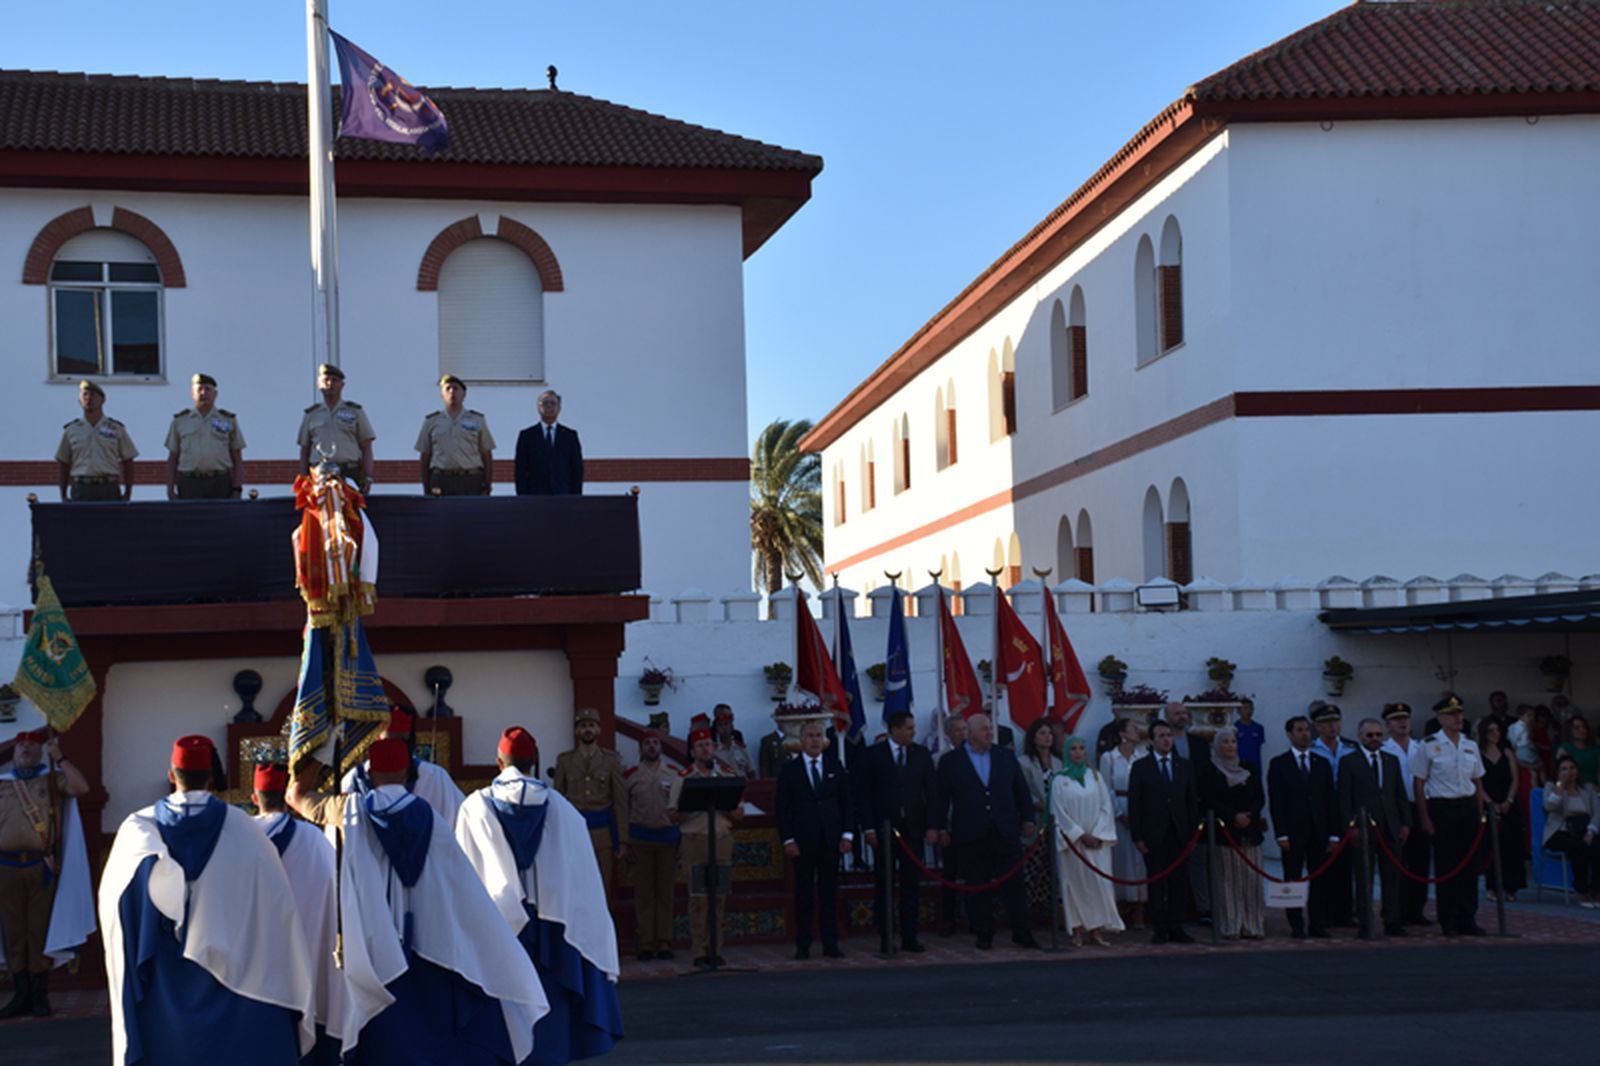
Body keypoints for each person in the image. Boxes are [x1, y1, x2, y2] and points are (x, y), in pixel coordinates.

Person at [288, 737, 547, 1064]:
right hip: (432, 940)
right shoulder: (433, 820)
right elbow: (460, 884)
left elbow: (294, 797)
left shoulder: (348, 810)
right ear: (408, 772)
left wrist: (321, 750)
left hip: (377, 941)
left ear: (372, 773)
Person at [101, 735, 315, 1065]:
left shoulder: (138, 830)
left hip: (165, 981)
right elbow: (276, 911)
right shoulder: (244, 829)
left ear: (171, 774)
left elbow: (121, 913)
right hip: (238, 979)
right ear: (211, 777)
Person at [456, 727, 623, 1065]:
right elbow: (583, 880)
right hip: (553, 926)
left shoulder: (475, 806)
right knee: (551, 1009)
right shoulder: (562, 809)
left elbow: (462, 874)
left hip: (499, 926)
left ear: (498, 763)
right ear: (535, 762)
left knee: (501, 1007)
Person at [253, 761, 344, 1064]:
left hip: (254, 968)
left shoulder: (239, 838)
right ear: (288, 798)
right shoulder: (316, 841)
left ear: (255, 797)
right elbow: (335, 896)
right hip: (308, 960)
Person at [0, 728, 91, 1018]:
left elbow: (81, 788)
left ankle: (40, 995)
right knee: (13, 933)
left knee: (38, 931)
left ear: (40, 752)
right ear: (12, 753)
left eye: (31, 746)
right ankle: (21, 994)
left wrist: (59, 757)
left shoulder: (52, 780)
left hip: (41, 866)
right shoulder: (2, 785)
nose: (25, 749)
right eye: (20, 746)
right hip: (7, 867)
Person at [933, 713, 1039, 950]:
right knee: (977, 885)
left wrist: (1028, 818)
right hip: (971, 832)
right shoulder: (951, 761)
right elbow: (941, 799)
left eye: (990, 728)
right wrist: (940, 827)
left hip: (1005, 830)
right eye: (984, 729)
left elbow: (1021, 790)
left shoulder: (1006, 757)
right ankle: (983, 933)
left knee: (1015, 885)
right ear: (970, 733)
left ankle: (1022, 932)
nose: (990, 733)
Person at [858, 710, 937, 952]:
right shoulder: (873, 755)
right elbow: (864, 795)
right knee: (885, 884)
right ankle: (886, 935)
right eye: (909, 728)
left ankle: (909, 936)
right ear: (895, 729)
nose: (914, 732)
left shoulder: (921, 755)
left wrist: (932, 825)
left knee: (911, 884)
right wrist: (868, 827)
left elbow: (932, 793)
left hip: (912, 829)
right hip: (884, 829)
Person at [1411, 695, 1488, 936]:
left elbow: (1476, 780)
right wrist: (1425, 818)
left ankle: (1468, 917)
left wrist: (1480, 812)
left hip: (1466, 807)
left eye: (1460, 714)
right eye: (1452, 714)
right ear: (1441, 718)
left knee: (1469, 866)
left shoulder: (1470, 745)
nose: (1458, 718)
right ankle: (1449, 918)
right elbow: (1419, 783)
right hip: (1442, 808)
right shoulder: (1429, 745)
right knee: (1447, 866)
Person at [668, 726, 744, 968]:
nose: (705, 749)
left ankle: (716, 948)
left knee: (719, 897)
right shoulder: (684, 777)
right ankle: (699, 950)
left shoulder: (728, 775)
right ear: (692, 751)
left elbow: (738, 813)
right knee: (699, 898)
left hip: (720, 839)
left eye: (708, 745)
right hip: (696, 840)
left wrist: (732, 808)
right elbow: (672, 813)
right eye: (700, 746)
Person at [776, 721, 853, 959]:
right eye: (810, 735)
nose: (815, 740)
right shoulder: (790, 770)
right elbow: (782, 808)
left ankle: (830, 943)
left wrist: (847, 835)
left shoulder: (834, 766)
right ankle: (803, 944)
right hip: (802, 842)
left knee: (829, 894)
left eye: (819, 735)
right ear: (801, 740)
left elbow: (847, 803)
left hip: (830, 841)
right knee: (804, 894)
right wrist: (788, 839)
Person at [1337, 718, 1412, 936]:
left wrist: (1405, 822)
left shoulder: (1391, 760)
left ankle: (1392, 919)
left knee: (1392, 877)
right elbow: (1344, 798)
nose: (1375, 739)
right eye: (1370, 735)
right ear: (1360, 736)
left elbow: (1400, 795)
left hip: (1390, 826)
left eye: (1378, 735)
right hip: (1363, 826)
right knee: (1363, 876)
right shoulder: (1349, 761)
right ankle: (1364, 921)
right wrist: (1350, 826)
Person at [1128, 719, 1199, 944]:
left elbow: (1191, 802)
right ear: (1152, 740)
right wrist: (1137, 836)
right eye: (1161, 735)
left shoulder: (1185, 765)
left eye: (1169, 735)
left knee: (1179, 882)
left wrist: (1193, 834)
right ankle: (1159, 928)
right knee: (1156, 883)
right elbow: (1135, 803)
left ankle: (1176, 925)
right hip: (1154, 835)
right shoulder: (1141, 767)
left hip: (1179, 833)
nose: (1167, 739)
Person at [1268, 715, 1337, 939]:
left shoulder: (1321, 763)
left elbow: (1330, 800)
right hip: (1293, 831)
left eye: (1307, 729)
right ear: (1289, 734)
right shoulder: (1279, 764)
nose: (1305, 734)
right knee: (1293, 878)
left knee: (1320, 879)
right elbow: (1276, 801)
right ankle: (1296, 924)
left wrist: (1333, 834)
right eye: (1299, 730)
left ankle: (1318, 922)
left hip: (1319, 830)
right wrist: (1281, 833)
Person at [1050, 735, 1124, 946]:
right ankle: (1077, 930)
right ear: (1066, 752)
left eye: (1081, 748)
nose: (1078, 752)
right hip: (1073, 843)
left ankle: (1097, 930)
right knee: (1075, 884)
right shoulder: (1059, 780)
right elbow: (1059, 812)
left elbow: (1105, 807)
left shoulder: (1096, 777)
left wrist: (1098, 835)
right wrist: (1080, 835)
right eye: (1073, 748)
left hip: (1097, 843)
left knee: (1098, 884)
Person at [341, 705, 466, 827]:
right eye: (388, 744)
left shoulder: (436, 777)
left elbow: (463, 818)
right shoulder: (355, 780)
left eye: (400, 744)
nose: (393, 752)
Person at [553, 707, 630, 896]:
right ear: (577, 731)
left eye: (592, 725)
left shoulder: (611, 760)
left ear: (598, 730)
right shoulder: (565, 761)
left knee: (602, 890)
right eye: (583, 726)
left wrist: (622, 839)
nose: (588, 729)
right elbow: (558, 800)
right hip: (575, 833)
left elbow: (620, 801)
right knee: (576, 889)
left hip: (603, 835)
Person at [1198, 726, 1266, 940]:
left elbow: (1259, 797)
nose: (1230, 745)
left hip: (1250, 832)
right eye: (1225, 742)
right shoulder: (1208, 769)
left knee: (1251, 879)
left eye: (1233, 742)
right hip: (1225, 833)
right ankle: (1231, 924)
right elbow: (1208, 799)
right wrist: (1232, 817)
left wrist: (1250, 816)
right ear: (1218, 745)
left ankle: (1253, 924)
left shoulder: (1249, 767)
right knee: (1227, 881)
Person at [623, 729, 680, 960]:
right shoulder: (631, 776)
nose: (652, 747)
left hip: (667, 838)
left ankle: (664, 941)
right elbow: (624, 809)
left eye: (656, 743)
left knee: (665, 892)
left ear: (661, 747)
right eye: (648, 743)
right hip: (641, 839)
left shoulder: (674, 774)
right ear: (641, 748)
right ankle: (646, 942)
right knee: (644, 893)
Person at [1380, 702, 1431, 925]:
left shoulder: (1422, 747)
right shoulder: (1383, 749)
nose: (1402, 723)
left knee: (1420, 861)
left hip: (1420, 806)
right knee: (1397, 862)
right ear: (1388, 724)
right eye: (1396, 719)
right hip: (1397, 810)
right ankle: (1395, 910)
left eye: (1405, 718)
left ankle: (1416, 910)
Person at [1309, 703, 1359, 925]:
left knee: (1347, 864)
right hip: (1322, 813)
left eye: (1336, 722)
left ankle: (1346, 911)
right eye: (1327, 723)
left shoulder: (1351, 747)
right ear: (1318, 726)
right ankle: (1325, 911)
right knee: (1322, 863)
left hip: (1347, 810)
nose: (1332, 727)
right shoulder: (1311, 749)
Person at [1098, 716, 1149, 926]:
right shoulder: (1109, 758)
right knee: (1121, 860)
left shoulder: (1142, 756)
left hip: (1139, 807)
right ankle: (1120, 907)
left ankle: (1140, 908)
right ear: (1122, 734)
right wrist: (1119, 812)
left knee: (1140, 862)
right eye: (1133, 728)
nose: (1137, 732)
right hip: (1118, 809)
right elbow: (1106, 787)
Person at [1161, 703, 1210, 920]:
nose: (1181, 717)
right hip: (1170, 813)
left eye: (1184, 713)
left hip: (1196, 810)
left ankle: (1203, 908)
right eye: (1176, 714)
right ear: (1167, 717)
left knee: (1199, 862)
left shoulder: (1199, 744)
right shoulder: (1161, 745)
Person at [164, 372, 245, 499]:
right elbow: (172, 458)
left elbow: (237, 458)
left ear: (215, 394)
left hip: (220, 481)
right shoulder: (180, 421)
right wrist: (169, 489)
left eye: (208, 389)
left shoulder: (227, 420)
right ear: (192, 393)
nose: (203, 393)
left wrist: (237, 488)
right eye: (199, 389)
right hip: (189, 482)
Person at [298, 363, 375, 492]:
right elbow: (304, 450)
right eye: (326, 380)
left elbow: (366, 447)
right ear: (318, 384)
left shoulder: (355, 411)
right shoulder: (311, 414)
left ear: (342, 385)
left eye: (335, 380)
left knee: (351, 511)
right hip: (319, 475)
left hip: (349, 473)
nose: (330, 384)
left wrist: (368, 477)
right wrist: (304, 479)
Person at [55, 379, 137, 501]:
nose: (89, 398)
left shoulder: (115, 428)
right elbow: (64, 463)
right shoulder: (71, 430)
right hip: (82, 488)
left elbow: (128, 461)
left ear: (103, 400)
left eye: (93, 394)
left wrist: (128, 493)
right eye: (85, 394)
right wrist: (63, 495)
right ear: (80, 401)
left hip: (108, 487)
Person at [415, 374, 496, 496]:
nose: (452, 392)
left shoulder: (477, 420)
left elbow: (486, 454)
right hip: (441, 479)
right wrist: (426, 487)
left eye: (456, 388)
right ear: (442, 395)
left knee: (471, 514)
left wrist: (487, 485)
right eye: (448, 388)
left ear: (464, 394)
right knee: (441, 515)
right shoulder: (431, 421)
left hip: (470, 479)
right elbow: (425, 456)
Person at [1476, 717, 1527, 901]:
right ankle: (1492, 886)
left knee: (1511, 844)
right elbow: (1477, 781)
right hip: (1488, 803)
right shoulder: (1478, 754)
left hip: (1508, 803)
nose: (1495, 734)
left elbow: (1515, 779)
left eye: (1497, 730)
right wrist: (1490, 803)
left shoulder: (1507, 752)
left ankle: (1511, 887)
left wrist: (1509, 800)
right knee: (1490, 845)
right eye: (1491, 730)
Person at [1542, 755, 1599, 908]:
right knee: (1578, 847)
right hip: (1560, 830)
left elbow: (1597, 813)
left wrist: (1591, 832)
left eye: (1572, 768)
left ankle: (1596, 889)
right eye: (1564, 769)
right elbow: (1549, 807)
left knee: (1596, 845)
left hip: (1585, 828)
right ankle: (1581, 890)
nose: (1569, 772)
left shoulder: (1588, 789)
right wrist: (1560, 785)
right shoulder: (1552, 787)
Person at [1018, 718, 1060, 920]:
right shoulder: (1024, 762)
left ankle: (1049, 910)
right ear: (1033, 738)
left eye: (1050, 733)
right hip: (1036, 821)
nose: (1047, 737)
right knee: (1032, 867)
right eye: (1043, 733)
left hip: (1057, 823)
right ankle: (1025, 910)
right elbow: (1023, 792)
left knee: (1052, 868)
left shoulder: (1059, 762)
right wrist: (1044, 806)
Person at [934, 712, 968, 936]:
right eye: (957, 730)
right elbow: (938, 797)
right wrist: (942, 827)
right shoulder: (941, 759)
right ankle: (948, 919)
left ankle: (975, 918)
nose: (962, 734)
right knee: (950, 874)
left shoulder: (977, 756)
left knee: (975, 873)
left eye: (964, 729)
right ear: (947, 733)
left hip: (973, 826)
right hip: (951, 826)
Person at [514, 389, 583, 495]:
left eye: (553, 403)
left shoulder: (570, 436)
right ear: (538, 408)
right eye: (545, 403)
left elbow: (577, 469)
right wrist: (523, 498)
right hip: (535, 498)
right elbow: (520, 470)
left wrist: (576, 498)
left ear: (559, 408)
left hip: (563, 497)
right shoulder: (526, 435)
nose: (549, 406)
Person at [712, 705, 754, 779]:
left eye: (726, 724)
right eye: (720, 725)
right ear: (716, 728)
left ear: (732, 726)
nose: (724, 728)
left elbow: (751, 772)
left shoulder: (742, 749)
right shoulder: (712, 751)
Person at [1559, 714, 1598, 785]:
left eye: (1584, 726)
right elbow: (1559, 775)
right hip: (1573, 789)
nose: (1582, 730)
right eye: (1577, 728)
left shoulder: (1595, 750)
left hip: (1594, 789)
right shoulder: (1565, 748)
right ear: (1570, 731)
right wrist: (1559, 787)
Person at [1234, 699, 1265, 777]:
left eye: (1251, 708)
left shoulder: (1258, 728)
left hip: (1255, 766)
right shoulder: (1234, 728)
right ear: (1238, 711)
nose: (1249, 711)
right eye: (1245, 708)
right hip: (1239, 766)